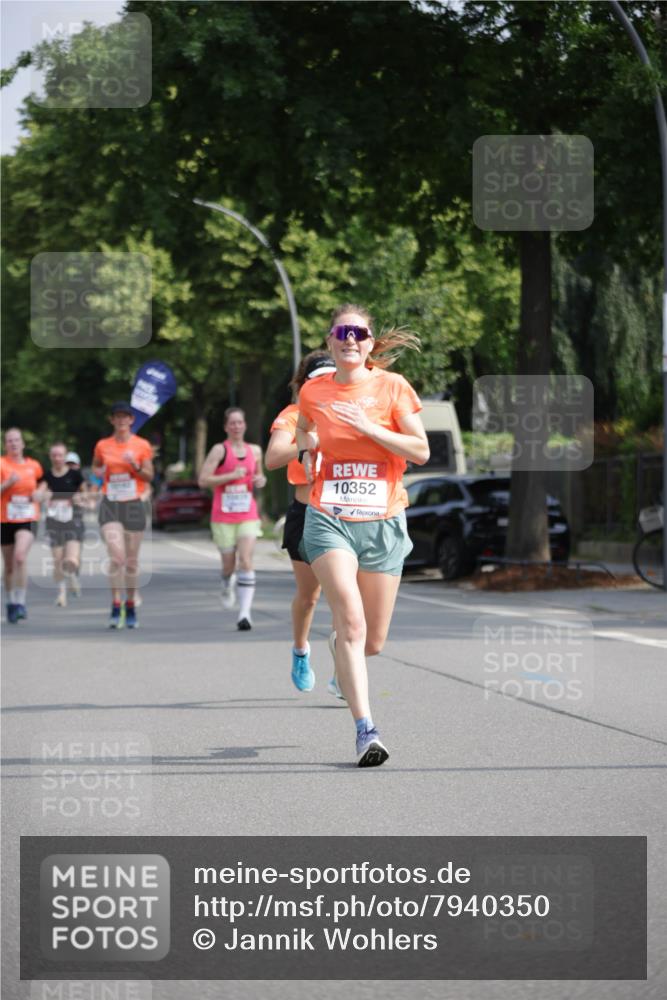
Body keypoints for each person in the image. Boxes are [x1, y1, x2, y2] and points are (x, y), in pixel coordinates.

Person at [296, 305, 429, 767]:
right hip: (329, 518)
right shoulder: (314, 391)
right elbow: (303, 427)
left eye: (360, 332)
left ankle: (337, 649)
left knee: (371, 642)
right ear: (330, 342)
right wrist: (305, 448)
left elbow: (421, 450)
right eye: (342, 332)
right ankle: (365, 731)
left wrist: (369, 428)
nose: (350, 339)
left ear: (370, 343)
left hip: (384, 522)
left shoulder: (393, 388)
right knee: (351, 623)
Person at [265, 351, 337, 691]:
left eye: (330, 377)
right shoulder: (293, 415)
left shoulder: (349, 412)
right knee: (310, 596)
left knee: (344, 594)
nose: (324, 385)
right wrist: (307, 441)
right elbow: (273, 457)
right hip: (306, 513)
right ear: (305, 384)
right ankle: (300, 649)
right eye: (317, 379)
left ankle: (344, 666)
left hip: (343, 512)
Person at [199, 407, 267, 631]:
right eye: (232, 423)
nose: (237, 427)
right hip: (223, 515)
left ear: (245, 425)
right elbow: (203, 480)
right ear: (226, 427)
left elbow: (259, 476)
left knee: (246, 560)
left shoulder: (255, 451)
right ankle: (226, 582)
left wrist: (260, 481)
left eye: (240, 423)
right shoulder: (219, 450)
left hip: (247, 512)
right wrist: (230, 476)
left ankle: (245, 614)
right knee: (229, 565)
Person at [92, 402, 154, 629]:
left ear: (131, 420)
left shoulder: (141, 445)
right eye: (117, 417)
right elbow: (96, 468)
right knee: (117, 557)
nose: (121, 421)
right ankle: (115, 604)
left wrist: (134, 465)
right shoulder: (102, 445)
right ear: (112, 420)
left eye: (125, 417)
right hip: (111, 504)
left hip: (133, 505)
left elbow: (149, 476)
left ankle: (130, 605)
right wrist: (97, 474)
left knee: (130, 561)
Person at [1, 428, 43, 623]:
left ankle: (21, 602)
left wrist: (40, 493)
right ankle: (10, 602)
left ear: (23, 444)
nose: (14, 444)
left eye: (17, 440)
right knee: (9, 566)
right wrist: (7, 484)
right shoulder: (2, 464)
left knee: (20, 557)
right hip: (5, 519)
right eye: (9, 441)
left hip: (27, 518)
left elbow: (44, 484)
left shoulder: (33, 466)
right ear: (5, 445)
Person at [40, 442, 86, 606]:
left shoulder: (75, 475)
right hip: (54, 522)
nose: (57, 458)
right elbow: (40, 493)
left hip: (73, 520)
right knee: (58, 560)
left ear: (65, 456)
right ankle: (61, 594)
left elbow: (85, 493)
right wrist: (44, 495)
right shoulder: (47, 476)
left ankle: (72, 576)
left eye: (60, 455)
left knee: (71, 559)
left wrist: (80, 498)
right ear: (50, 457)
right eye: (54, 455)